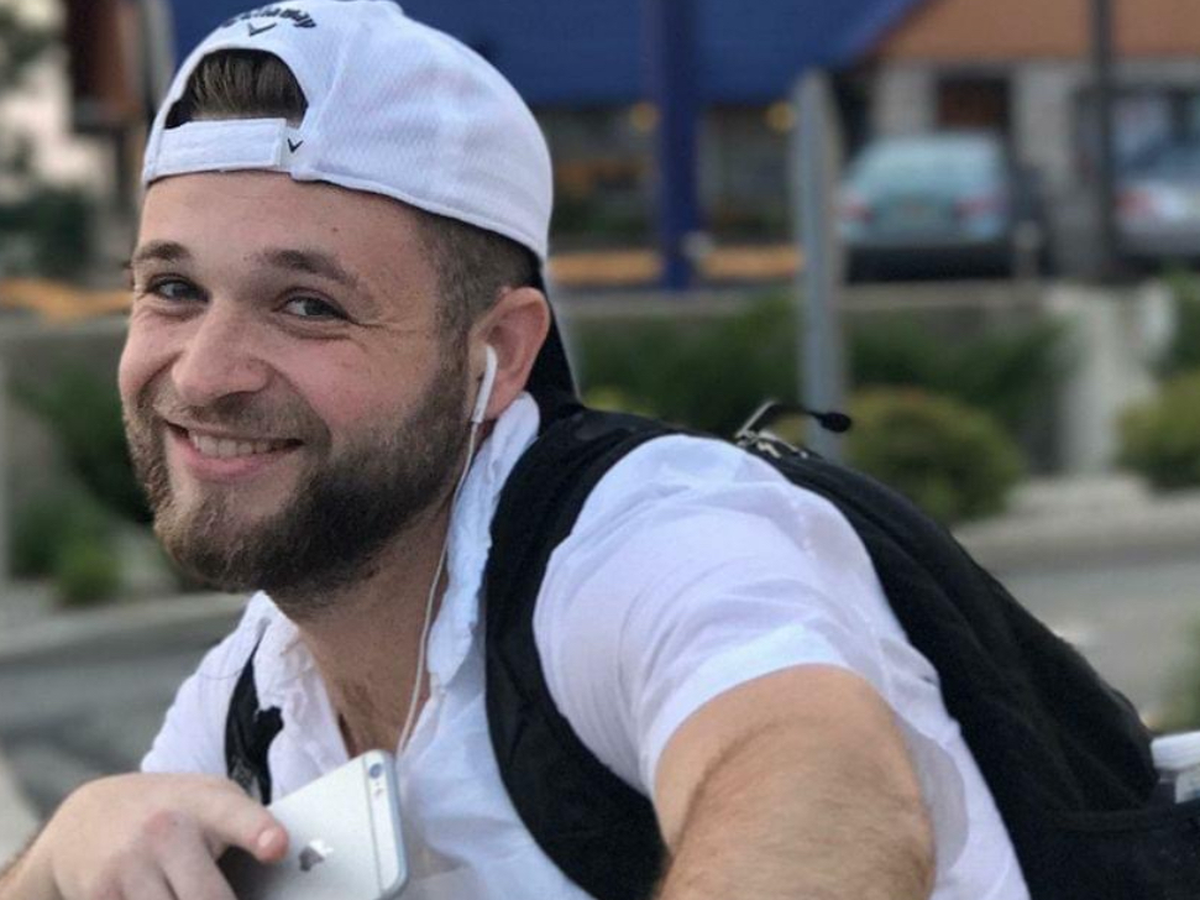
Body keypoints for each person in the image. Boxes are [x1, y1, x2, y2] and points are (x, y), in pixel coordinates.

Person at [0, 2, 1029, 898]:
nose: (204, 373)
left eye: (308, 305)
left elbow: (821, 781)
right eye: (173, 289)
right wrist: (58, 859)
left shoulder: (639, 542)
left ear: (495, 354)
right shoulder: (257, 689)